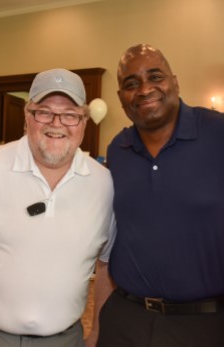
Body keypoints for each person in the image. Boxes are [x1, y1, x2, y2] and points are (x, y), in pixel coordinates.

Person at [0, 68, 116, 347]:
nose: (57, 123)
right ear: (28, 115)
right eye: (44, 112)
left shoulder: (105, 184)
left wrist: (97, 333)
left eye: (70, 114)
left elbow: (107, 266)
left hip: (64, 340)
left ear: (84, 121)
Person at [89, 44, 224, 347]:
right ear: (121, 98)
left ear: (174, 82)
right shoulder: (117, 149)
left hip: (206, 325)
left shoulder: (218, 135)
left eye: (155, 77)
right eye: (131, 83)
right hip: (125, 320)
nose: (144, 89)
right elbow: (111, 245)